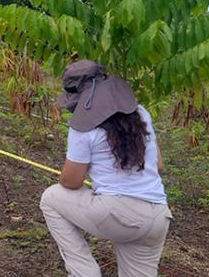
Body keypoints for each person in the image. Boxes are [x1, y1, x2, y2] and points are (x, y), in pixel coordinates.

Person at [40, 60, 171, 277]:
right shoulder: (140, 113)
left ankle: (84, 273)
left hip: (117, 214)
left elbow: (71, 182)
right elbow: (157, 165)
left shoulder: (82, 129)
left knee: (51, 198)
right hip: (158, 216)